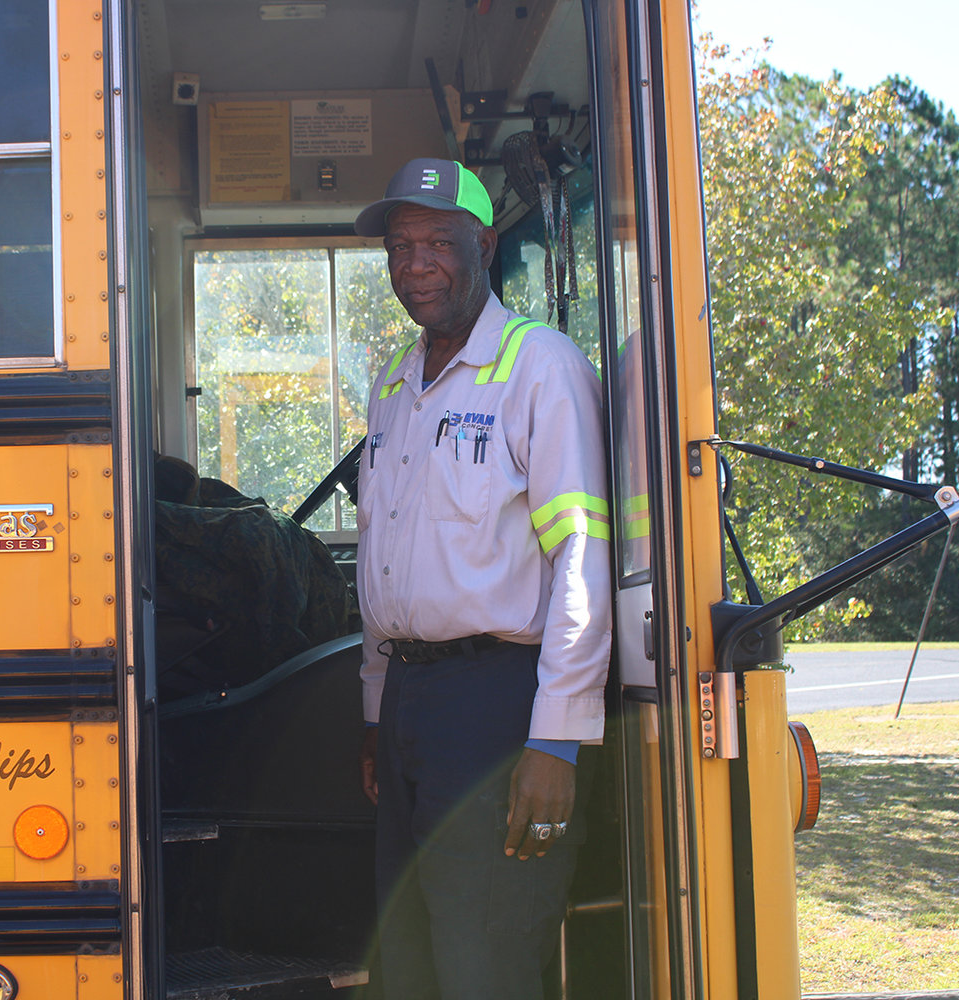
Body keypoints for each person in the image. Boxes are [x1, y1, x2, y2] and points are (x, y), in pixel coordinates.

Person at [352, 157, 612, 1000]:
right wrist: (374, 715)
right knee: (410, 963)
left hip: (497, 709)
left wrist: (555, 738)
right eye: (400, 247)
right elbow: (383, 559)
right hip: (411, 709)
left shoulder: (541, 368)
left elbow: (581, 555)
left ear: (485, 244)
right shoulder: (396, 385)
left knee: (485, 964)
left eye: (438, 242)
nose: (416, 264)